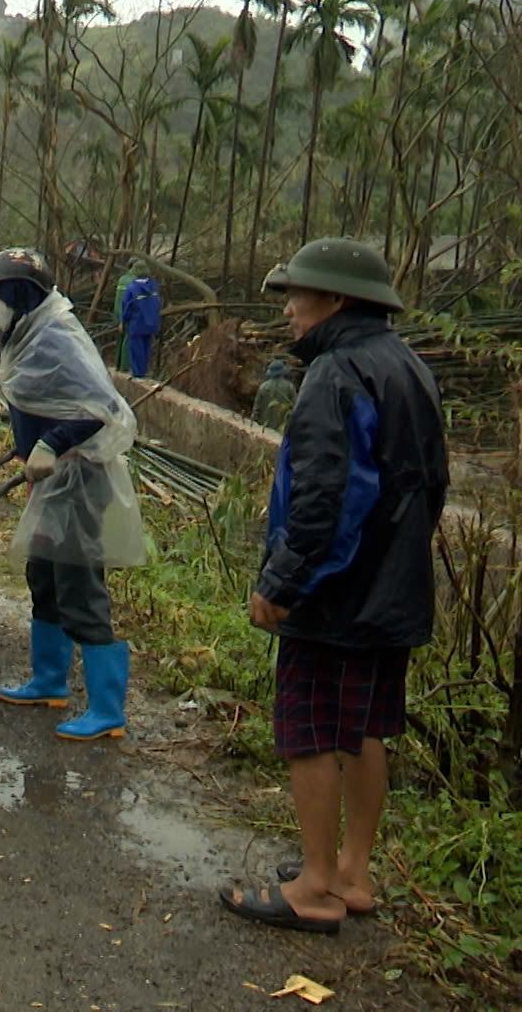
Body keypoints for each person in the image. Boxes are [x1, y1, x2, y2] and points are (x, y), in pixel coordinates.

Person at [219, 238, 448, 935]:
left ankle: (313, 886)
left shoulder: (335, 374)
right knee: (363, 731)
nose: (287, 309)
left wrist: (284, 580)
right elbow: (429, 485)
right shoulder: (409, 366)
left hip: (336, 594)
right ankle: (353, 870)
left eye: (298, 294)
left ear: (337, 301)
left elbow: (326, 498)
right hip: (391, 590)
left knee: (310, 729)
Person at [0, 248, 147, 739]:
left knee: (78, 584)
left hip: (81, 481)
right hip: (53, 480)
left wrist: (49, 442)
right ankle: (49, 680)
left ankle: (108, 710)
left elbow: (100, 407)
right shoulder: (27, 333)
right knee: (41, 574)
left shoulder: (57, 337)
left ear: (21, 294)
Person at [120, 262, 162, 378]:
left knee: (136, 349)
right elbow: (158, 303)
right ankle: (145, 371)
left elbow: (127, 307)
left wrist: (123, 321)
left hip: (137, 323)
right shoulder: (153, 286)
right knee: (146, 348)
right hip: (151, 323)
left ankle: (138, 374)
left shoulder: (132, 289)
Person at [252, 360, 298, 429]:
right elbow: (295, 409)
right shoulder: (290, 387)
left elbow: (256, 410)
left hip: (264, 428)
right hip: (282, 429)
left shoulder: (263, 387)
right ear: (283, 372)